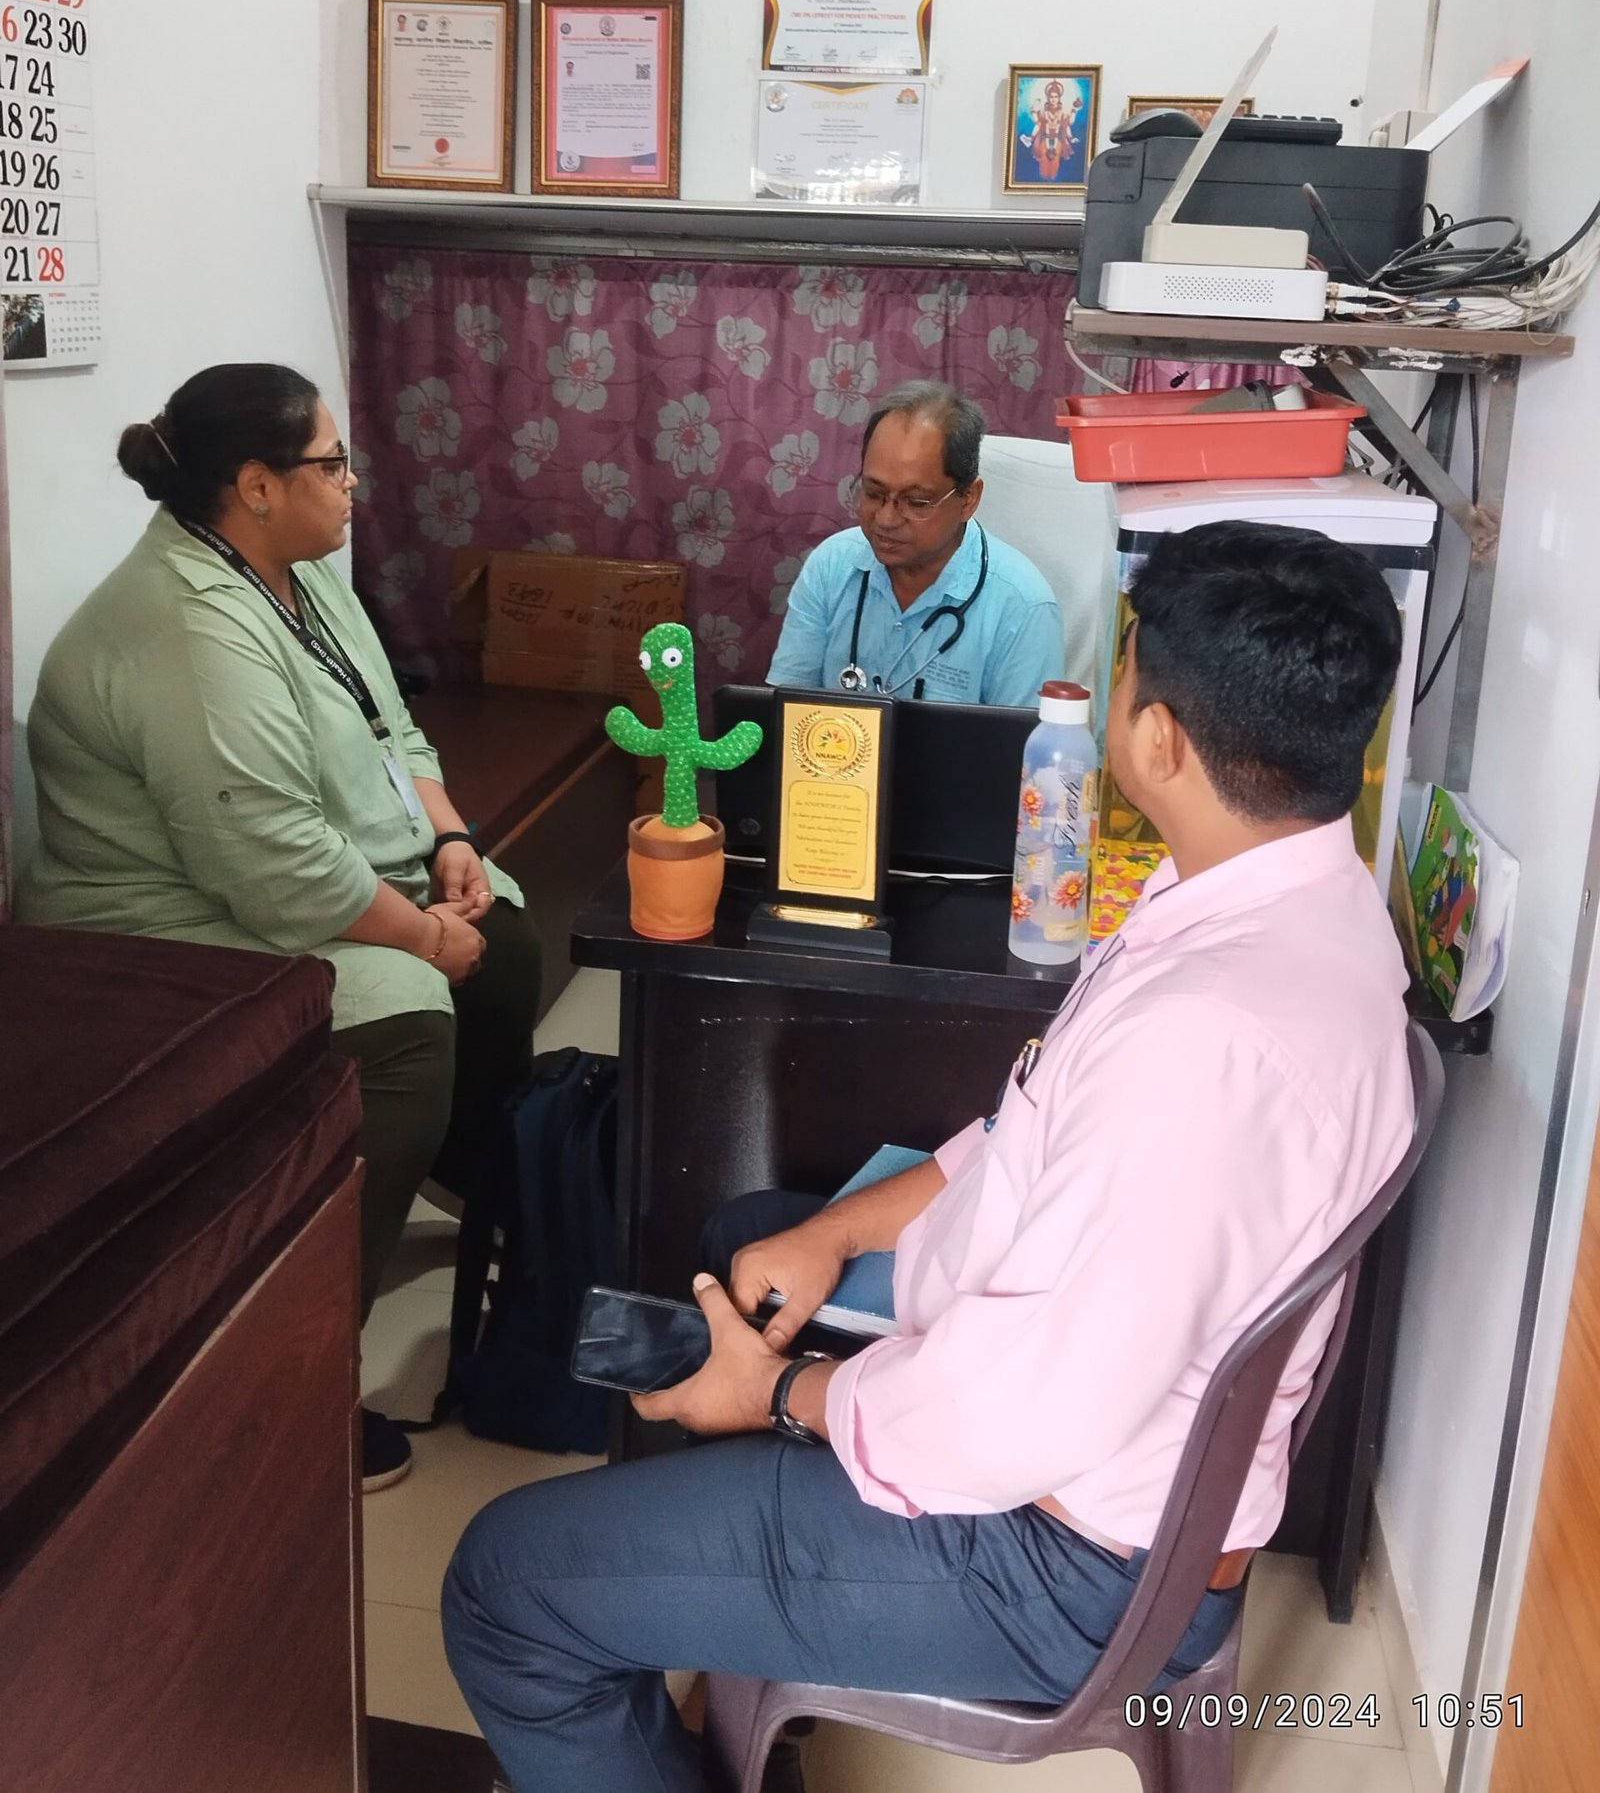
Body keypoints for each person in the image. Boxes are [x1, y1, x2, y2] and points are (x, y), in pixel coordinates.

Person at [441, 520, 1413, 1793]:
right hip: (1070, 1452)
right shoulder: (1298, 910)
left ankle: (685, 1594)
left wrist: (780, 1399)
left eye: (1123, 677)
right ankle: (709, 1618)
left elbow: (1020, 1412)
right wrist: (837, 1232)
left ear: (1160, 739)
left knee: (505, 1586)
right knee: (752, 1242)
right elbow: (1027, 1131)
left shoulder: (1205, 1044)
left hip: (1055, 1561)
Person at [18, 362, 541, 1492]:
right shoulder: (190, 627)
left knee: (504, 926)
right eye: (332, 463)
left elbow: (395, 730)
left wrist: (451, 841)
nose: (353, 483)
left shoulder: (300, 575)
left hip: (286, 874)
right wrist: (420, 937)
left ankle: (445, 1160)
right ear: (256, 485)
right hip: (161, 924)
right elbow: (269, 863)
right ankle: (299, 1372)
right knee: (408, 1012)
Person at [767, 380, 1064, 704]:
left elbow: (1023, 738)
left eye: (916, 502)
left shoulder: (1022, 608)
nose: (886, 519)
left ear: (968, 499)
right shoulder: (832, 566)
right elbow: (785, 709)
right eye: (874, 493)